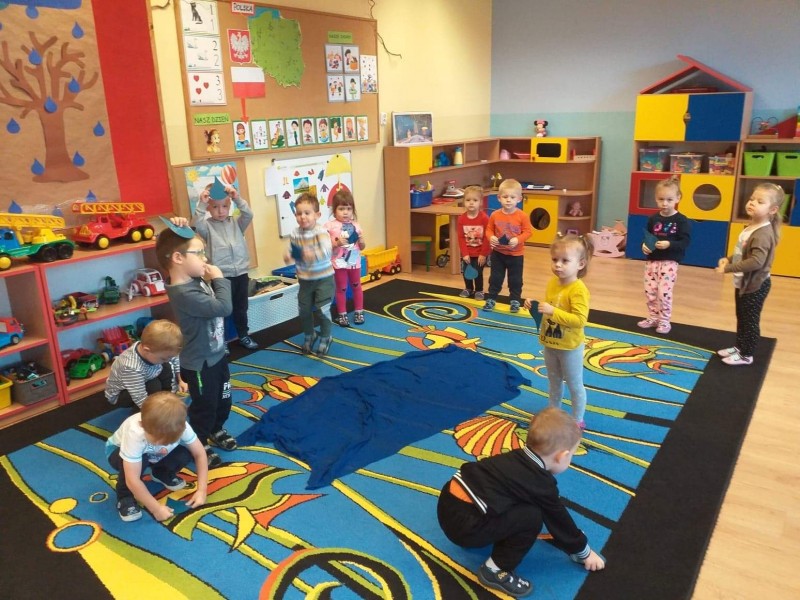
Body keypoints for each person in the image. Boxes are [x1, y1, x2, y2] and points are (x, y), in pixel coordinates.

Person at [437, 407, 606, 597]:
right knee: (532, 517)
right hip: (465, 527)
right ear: (562, 456)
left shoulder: (516, 457)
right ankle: (495, 570)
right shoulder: (539, 482)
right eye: (572, 455)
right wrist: (583, 552)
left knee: (526, 503)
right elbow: (558, 517)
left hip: (447, 505)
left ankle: (487, 533)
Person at [156, 224, 234, 468]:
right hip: (200, 364)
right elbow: (224, 307)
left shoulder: (193, 277)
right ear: (178, 258)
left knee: (224, 400)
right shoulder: (183, 293)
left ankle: (216, 429)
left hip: (217, 355)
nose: (205, 258)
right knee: (204, 408)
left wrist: (183, 225)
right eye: (199, 253)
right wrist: (219, 279)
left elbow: (179, 240)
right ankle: (198, 443)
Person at [106, 391, 209, 522]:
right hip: (117, 452)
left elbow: (200, 454)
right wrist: (156, 509)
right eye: (156, 439)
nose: (160, 444)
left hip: (154, 455)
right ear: (142, 425)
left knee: (185, 453)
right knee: (140, 461)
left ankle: (160, 473)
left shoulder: (181, 425)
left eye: (168, 441)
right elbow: (132, 479)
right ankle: (125, 496)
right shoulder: (135, 432)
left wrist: (202, 490)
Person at [525, 233, 593, 428]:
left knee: (574, 384)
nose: (558, 265)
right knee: (554, 382)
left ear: (580, 264)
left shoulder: (578, 290)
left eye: (565, 261)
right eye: (555, 260)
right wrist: (535, 305)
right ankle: (553, 414)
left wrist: (552, 311)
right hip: (550, 343)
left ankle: (577, 419)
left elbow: (579, 320)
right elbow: (552, 307)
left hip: (570, 347)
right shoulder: (552, 283)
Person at [715, 182, 783, 366]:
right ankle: (740, 347)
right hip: (744, 283)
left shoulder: (762, 234)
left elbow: (756, 262)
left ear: (773, 210)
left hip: (755, 286)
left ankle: (746, 354)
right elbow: (743, 254)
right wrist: (729, 259)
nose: (752, 203)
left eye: (760, 201)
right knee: (742, 317)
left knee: (750, 321)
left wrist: (728, 269)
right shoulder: (752, 227)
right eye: (752, 199)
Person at [189, 179, 258, 350]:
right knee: (223, 311)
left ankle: (243, 335)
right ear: (209, 208)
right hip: (221, 277)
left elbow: (248, 214)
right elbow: (194, 225)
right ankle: (223, 341)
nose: (220, 211)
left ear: (230, 206)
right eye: (215, 207)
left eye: (225, 206)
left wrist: (237, 197)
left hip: (241, 273)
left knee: (241, 308)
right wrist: (201, 204)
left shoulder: (236, 223)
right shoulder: (207, 227)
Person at [637, 177, 692, 335]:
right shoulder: (653, 219)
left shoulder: (681, 220)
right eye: (661, 199)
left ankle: (664, 320)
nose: (665, 203)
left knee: (664, 293)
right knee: (650, 291)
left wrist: (669, 244)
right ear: (656, 199)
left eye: (669, 200)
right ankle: (653, 317)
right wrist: (644, 246)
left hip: (669, 262)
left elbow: (685, 241)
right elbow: (647, 237)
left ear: (678, 198)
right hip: (652, 262)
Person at [284, 193, 335, 356]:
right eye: (299, 213)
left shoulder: (321, 232)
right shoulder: (295, 233)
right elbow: (292, 250)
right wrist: (288, 255)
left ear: (317, 215)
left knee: (322, 309)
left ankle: (326, 336)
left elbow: (327, 251)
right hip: (305, 280)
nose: (303, 217)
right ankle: (310, 334)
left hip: (323, 279)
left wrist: (312, 254)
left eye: (307, 213)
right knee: (304, 310)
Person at [104, 319, 187, 409]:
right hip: (123, 393)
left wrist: (180, 380)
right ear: (147, 350)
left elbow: (173, 358)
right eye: (163, 358)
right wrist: (155, 412)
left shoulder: (153, 350)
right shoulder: (131, 367)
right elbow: (140, 398)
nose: (167, 360)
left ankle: (167, 397)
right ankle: (144, 411)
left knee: (166, 365)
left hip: (145, 376)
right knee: (154, 385)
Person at [483, 179, 532, 312]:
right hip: (498, 254)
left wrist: (518, 239)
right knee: (495, 278)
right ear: (499, 198)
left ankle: (515, 300)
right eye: (505, 197)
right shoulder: (494, 215)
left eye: (512, 197)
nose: (508, 200)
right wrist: (491, 237)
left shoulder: (522, 216)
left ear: (519, 199)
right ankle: (491, 298)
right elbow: (489, 230)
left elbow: (528, 232)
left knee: (515, 279)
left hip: (516, 255)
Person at [324, 189, 366, 327]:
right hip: (339, 263)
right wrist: (336, 243)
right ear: (334, 210)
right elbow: (325, 246)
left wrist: (362, 241)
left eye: (349, 208)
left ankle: (359, 311)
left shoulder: (356, 225)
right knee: (341, 288)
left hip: (354, 262)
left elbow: (362, 247)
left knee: (356, 285)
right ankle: (342, 314)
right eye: (341, 209)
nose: (345, 212)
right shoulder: (329, 226)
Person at [456, 185, 490, 299]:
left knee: (478, 272)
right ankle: (468, 288)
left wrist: (483, 254)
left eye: (475, 200)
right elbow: (461, 237)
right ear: (464, 201)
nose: (471, 203)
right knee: (466, 272)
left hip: (480, 253)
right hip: (467, 253)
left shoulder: (484, 218)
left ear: (480, 202)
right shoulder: (461, 219)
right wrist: (464, 253)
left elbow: (487, 238)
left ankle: (479, 290)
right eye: (468, 200)